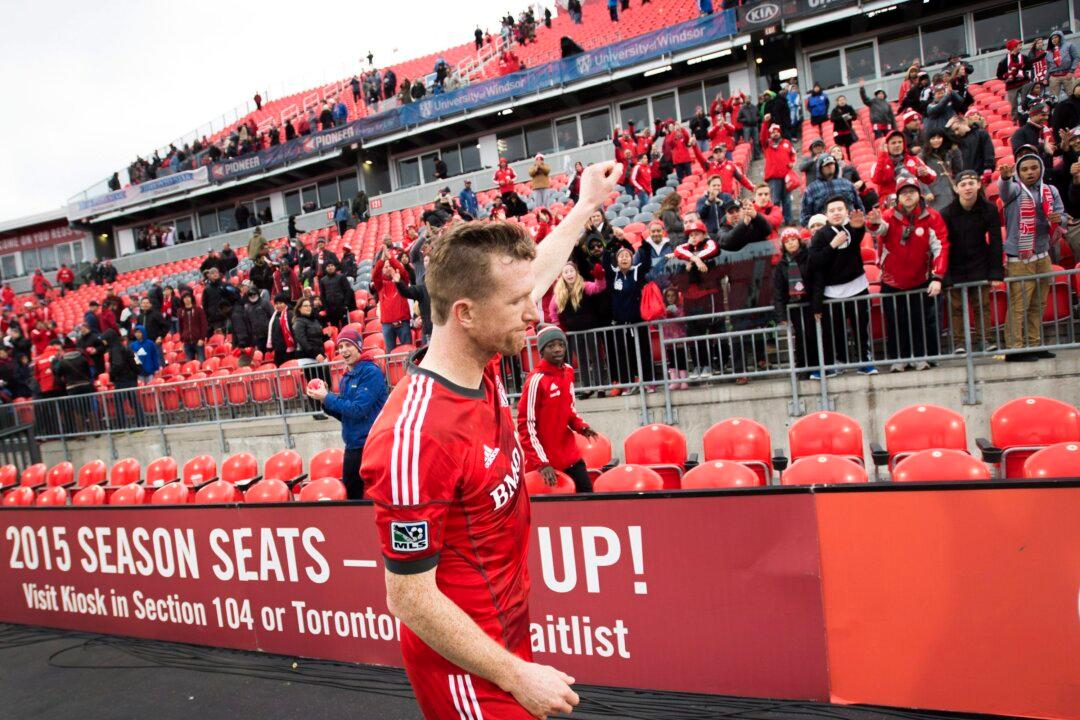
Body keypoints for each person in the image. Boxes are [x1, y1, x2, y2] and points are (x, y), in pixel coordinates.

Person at [360, 161, 619, 720]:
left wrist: (584, 206)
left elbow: (535, 276)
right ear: (465, 314)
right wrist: (515, 674)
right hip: (468, 675)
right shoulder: (416, 436)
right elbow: (408, 597)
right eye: (517, 306)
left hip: (500, 644)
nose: (534, 315)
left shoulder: (484, 358)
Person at [866, 178, 948, 372]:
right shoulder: (888, 215)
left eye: (912, 191)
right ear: (898, 197)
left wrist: (938, 276)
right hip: (891, 281)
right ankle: (898, 359)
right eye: (904, 192)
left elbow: (941, 245)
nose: (908, 195)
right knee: (895, 322)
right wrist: (875, 223)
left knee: (919, 320)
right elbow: (880, 228)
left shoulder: (932, 216)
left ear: (919, 194)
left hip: (920, 278)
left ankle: (921, 357)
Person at [304, 326, 388, 500]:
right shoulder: (346, 377)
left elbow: (358, 410)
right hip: (353, 446)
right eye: (340, 347)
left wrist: (328, 398)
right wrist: (323, 400)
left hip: (371, 446)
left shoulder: (371, 372)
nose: (343, 350)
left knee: (379, 497)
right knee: (352, 498)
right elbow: (345, 414)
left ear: (358, 347)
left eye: (347, 345)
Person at [517, 324, 598, 493]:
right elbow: (526, 426)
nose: (557, 349)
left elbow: (570, 409)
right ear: (541, 351)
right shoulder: (535, 380)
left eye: (561, 345)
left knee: (587, 495)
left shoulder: (568, 371)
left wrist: (580, 426)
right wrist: (542, 463)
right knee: (554, 511)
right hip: (543, 461)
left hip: (569, 454)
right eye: (551, 346)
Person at [998, 152, 1064, 361]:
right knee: (1020, 305)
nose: (1030, 172)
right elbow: (1004, 189)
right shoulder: (1015, 190)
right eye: (1024, 169)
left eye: (1034, 168)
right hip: (1019, 258)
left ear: (1041, 169)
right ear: (1018, 172)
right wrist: (1005, 178)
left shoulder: (1050, 190)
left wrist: (1058, 218)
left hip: (1043, 255)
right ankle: (1015, 349)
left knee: (1038, 303)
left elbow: (1062, 215)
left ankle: (1034, 344)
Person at [808, 198, 876, 377]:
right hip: (833, 293)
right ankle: (835, 363)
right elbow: (814, 261)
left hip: (858, 288)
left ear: (846, 211)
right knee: (834, 332)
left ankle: (865, 362)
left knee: (861, 328)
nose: (836, 213)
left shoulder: (852, 227)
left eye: (840, 209)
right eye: (832, 210)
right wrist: (832, 246)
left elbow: (857, 238)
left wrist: (860, 228)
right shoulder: (820, 235)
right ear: (826, 215)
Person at [941, 170, 1004, 354]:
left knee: (982, 304)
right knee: (956, 307)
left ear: (978, 185)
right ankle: (959, 343)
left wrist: (995, 272)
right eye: (963, 184)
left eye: (971, 183)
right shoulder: (946, 213)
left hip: (980, 261)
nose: (967, 187)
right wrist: (945, 274)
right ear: (956, 188)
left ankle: (985, 339)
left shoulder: (989, 209)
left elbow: (995, 241)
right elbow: (943, 245)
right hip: (954, 263)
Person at [773, 227, 816, 373]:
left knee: (813, 335)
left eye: (793, 240)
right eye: (787, 241)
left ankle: (816, 366)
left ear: (799, 241)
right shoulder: (781, 265)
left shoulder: (809, 257)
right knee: (800, 337)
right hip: (795, 305)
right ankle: (803, 368)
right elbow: (778, 291)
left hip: (810, 303)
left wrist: (817, 304)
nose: (791, 243)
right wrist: (781, 315)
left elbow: (816, 281)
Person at [800, 154, 863, 226]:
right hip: (824, 230)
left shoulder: (847, 184)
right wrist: (816, 227)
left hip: (849, 226)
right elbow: (804, 216)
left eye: (832, 164)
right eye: (826, 165)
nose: (830, 166)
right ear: (820, 168)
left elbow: (859, 207)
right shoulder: (811, 189)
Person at [872, 130, 937, 199]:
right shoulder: (879, 163)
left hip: (912, 201)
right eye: (893, 143)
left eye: (900, 142)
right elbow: (877, 179)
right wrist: (883, 155)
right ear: (887, 145)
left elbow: (932, 175)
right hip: (891, 204)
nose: (897, 145)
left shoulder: (913, 160)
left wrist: (925, 174)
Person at [760, 115, 797, 224]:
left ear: (780, 132)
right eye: (772, 132)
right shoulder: (767, 144)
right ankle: (775, 220)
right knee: (774, 201)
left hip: (786, 176)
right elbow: (762, 136)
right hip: (773, 177)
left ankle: (789, 220)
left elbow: (793, 154)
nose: (775, 133)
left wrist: (792, 162)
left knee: (787, 200)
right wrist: (765, 123)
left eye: (777, 131)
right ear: (770, 134)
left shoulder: (787, 143)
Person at [372, 255, 412, 351]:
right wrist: (382, 260)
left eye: (390, 266)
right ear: (382, 270)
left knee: (408, 352)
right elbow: (374, 275)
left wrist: (391, 258)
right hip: (387, 324)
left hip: (403, 323)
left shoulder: (401, 282)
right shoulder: (380, 285)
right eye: (385, 267)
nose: (388, 268)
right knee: (390, 355)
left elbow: (403, 271)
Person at [921, 130, 962, 212]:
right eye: (933, 138)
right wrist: (927, 192)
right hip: (934, 194)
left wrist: (956, 150)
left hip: (951, 191)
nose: (936, 140)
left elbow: (958, 169)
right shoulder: (922, 156)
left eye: (939, 137)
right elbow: (919, 177)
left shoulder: (948, 153)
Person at [997, 39, 1033, 117]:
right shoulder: (1004, 61)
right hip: (1011, 86)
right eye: (1019, 45)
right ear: (1013, 47)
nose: (1021, 47)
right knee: (1013, 106)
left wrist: (1022, 67)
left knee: (1026, 102)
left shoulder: (1024, 57)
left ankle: (1029, 117)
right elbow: (999, 75)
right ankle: (1015, 122)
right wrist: (1007, 76)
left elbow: (1030, 67)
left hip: (1024, 82)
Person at [1046, 30, 1079, 101]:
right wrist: (1046, 78)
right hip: (1054, 76)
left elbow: (1076, 58)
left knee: (1072, 95)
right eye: (1052, 38)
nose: (1054, 40)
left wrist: (1071, 71)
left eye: (1055, 37)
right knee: (1053, 98)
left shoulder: (1069, 45)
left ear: (1061, 38)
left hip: (1067, 74)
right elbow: (1048, 66)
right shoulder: (1049, 51)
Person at [178, 293, 207, 361]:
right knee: (189, 364)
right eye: (185, 298)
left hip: (198, 341)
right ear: (182, 300)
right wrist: (182, 339)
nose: (187, 299)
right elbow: (180, 326)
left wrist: (202, 338)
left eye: (188, 297)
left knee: (201, 362)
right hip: (187, 342)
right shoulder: (180, 311)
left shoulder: (198, 309)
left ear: (191, 298)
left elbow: (204, 325)